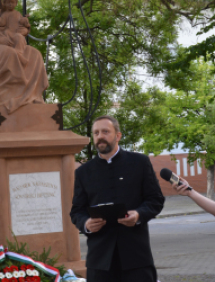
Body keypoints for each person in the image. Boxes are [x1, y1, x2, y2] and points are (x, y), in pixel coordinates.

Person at [70, 115, 165, 282]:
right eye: (96, 133)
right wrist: (86, 223)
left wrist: (138, 215)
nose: (100, 136)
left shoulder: (140, 162)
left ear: (118, 136)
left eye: (105, 131)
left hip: (136, 257)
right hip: (100, 260)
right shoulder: (83, 172)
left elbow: (155, 199)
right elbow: (77, 210)